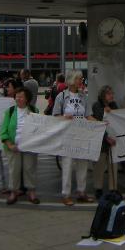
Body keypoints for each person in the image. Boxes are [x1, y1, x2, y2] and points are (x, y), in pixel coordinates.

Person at [52, 69, 94, 206]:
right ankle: (66, 193)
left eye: (81, 79)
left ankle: (81, 191)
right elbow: (55, 116)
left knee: (83, 164)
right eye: (79, 78)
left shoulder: (83, 97)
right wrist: (64, 117)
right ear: (71, 80)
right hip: (67, 135)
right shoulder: (61, 96)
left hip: (81, 134)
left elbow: (88, 115)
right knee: (68, 164)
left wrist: (99, 123)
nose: (81, 81)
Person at [1, 87, 40, 205]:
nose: (18, 98)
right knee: (14, 170)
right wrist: (9, 144)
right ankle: (13, 192)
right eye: (17, 96)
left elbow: (39, 128)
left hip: (29, 146)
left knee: (30, 169)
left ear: (27, 99)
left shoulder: (34, 110)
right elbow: (4, 131)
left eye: (21, 96)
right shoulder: (10, 111)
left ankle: (31, 191)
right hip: (14, 147)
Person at [92, 85, 119, 199]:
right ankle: (98, 188)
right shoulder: (97, 106)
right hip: (101, 141)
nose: (111, 95)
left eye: (112, 93)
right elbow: (97, 122)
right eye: (109, 94)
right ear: (103, 96)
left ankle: (113, 188)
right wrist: (104, 111)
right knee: (100, 165)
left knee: (113, 164)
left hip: (113, 139)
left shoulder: (114, 105)